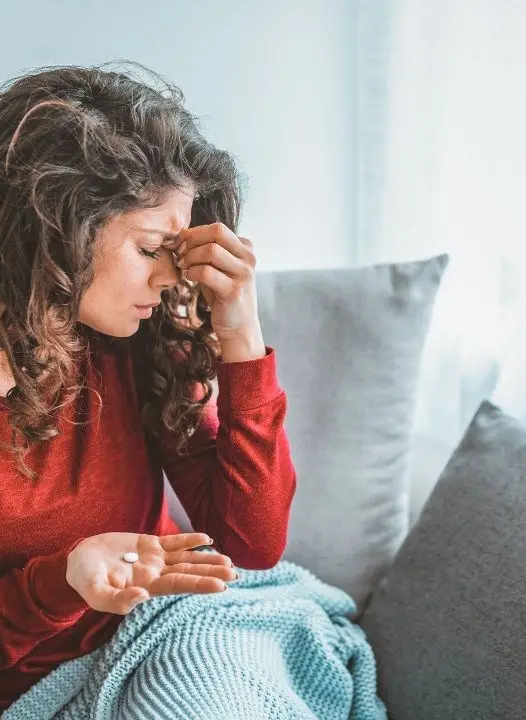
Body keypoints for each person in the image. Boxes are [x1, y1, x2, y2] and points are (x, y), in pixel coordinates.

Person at [0, 64, 297, 710]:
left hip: (174, 628)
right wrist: (63, 582)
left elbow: (254, 543)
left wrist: (241, 335)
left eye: (177, 251)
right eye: (149, 249)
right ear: (59, 227)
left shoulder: (136, 347)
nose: (169, 278)